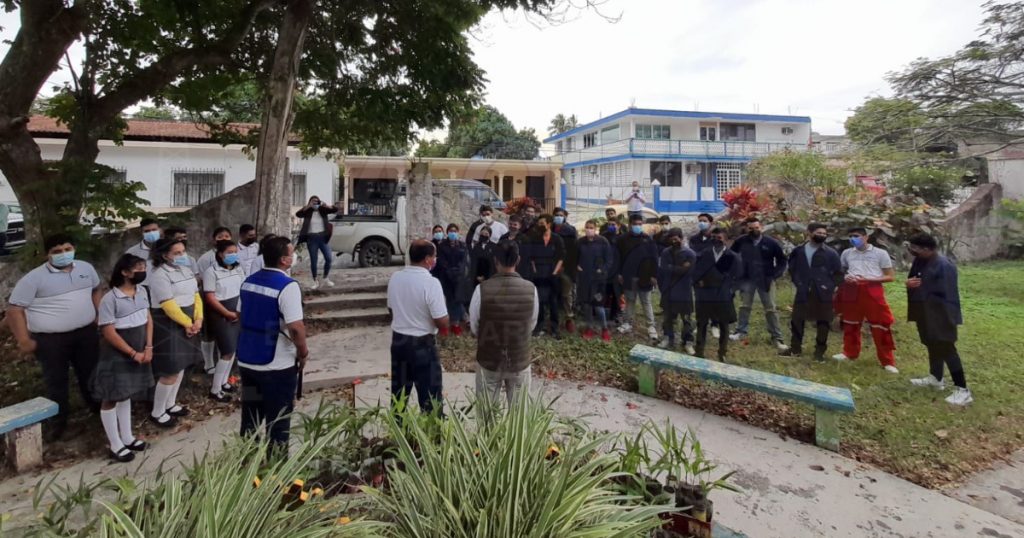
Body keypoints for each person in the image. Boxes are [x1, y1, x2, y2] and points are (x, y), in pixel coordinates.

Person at [8, 234, 102, 440]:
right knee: (56, 380)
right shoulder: (34, 278)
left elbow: (96, 290)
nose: (63, 254)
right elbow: (14, 310)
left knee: (91, 373)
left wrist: (98, 314)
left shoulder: (86, 269)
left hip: (85, 333)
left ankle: (99, 410)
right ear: (47, 255)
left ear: (74, 249)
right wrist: (24, 340)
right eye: (57, 252)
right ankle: (58, 424)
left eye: (67, 249)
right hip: (50, 340)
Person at [237, 236, 307, 453]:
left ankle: (245, 463)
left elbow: (241, 314)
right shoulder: (287, 286)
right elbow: (296, 327)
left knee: (251, 415)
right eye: (291, 253)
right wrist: (302, 352)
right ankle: (276, 474)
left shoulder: (249, 281)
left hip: (248, 361)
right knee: (278, 421)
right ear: (284, 260)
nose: (294, 256)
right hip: (277, 365)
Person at [91, 254, 153, 462]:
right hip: (118, 352)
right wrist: (132, 353)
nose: (142, 271)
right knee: (111, 395)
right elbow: (108, 331)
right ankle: (115, 443)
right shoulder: (110, 299)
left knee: (126, 393)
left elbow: (148, 319)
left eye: (143, 267)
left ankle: (127, 436)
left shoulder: (142, 291)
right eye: (138, 268)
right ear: (125, 272)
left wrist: (149, 346)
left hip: (141, 346)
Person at [469, 240, 538, 409]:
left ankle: (488, 436)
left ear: (495, 261)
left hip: (489, 358)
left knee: (486, 414)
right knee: (519, 414)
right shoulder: (531, 289)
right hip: (519, 359)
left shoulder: (482, 289)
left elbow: (474, 326)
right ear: (518, 260)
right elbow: (531, 324)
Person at [905, 233, 972, 405]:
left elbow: (948, 294)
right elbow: (915, 280)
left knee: (947, 348)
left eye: (915, 249)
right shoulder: (921, 260)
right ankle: (936, 378)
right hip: (924, 312)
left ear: (927, 249)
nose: (912, 252)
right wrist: (909, 284)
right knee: (931, 344)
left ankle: (963, 390)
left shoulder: (944, 265)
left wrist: (948, 319)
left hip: (941, 315)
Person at [387, 240, 449, 414]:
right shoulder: (431, 283)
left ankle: (398, 433)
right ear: (428, 259)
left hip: (398, 341)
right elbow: (442, 321)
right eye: (434, 256)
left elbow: (391, 309)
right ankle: (432, 436)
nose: (435, 259)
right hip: (423, 344)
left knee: (398, 394)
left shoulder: (395, 278)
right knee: (430, 397)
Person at [147, 237, 202, 428]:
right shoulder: (159, 274)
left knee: (181, 365)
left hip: (189, 320)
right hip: (168, 323)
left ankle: (171, 404)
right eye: (176, 253)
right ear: (164, 255)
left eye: (183, 251)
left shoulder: (186, 270)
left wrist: (198, 319)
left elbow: (196, 296)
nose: (182, 255)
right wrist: (188, 323)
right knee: (170, 369)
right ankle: (158, 410)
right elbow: (168, 304)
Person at [833, 227, 899, 373]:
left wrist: (869, 279)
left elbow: (890, 276)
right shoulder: (847, 253)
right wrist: (845, 277)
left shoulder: (880, 253)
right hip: (851, 289)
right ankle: (849, 352)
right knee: (850, 323)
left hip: (872, 289)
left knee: (881, 325)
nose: (852, 239)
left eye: (855, 236)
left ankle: (887, 361)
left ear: (866, 237)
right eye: (850, 236)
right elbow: (841, 271)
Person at [781, 223, 843, 361]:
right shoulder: (798, 251)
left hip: (823, 293)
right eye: (818, 233)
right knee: (797, 320)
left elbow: (838, 274)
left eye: (824, 234)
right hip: (803, 291)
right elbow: (792, 268)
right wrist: (798, 282)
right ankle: (795, 349)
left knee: (823, 322)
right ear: (809, 232)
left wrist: (830, 287)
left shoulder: (831, 253)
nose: (822, 235)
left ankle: (819, 353)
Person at [729, 217, 788, 350]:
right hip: (746, 279)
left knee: (770, 309)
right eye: (751, 228)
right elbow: (731, 256)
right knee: (744, 306)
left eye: (756, 228)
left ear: (761, 227)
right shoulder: (741, 241)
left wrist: (774, 275)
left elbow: (782, 261)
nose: (754, 230)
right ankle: (740, 332)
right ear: (746, 228)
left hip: (765, 279)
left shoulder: (771, 242)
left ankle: (777, 337)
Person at [202, 240, 245, 402]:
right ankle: (215, 389)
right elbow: (210, 297)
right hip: (221, 313)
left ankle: (224, 381)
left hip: (237, 311)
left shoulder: (238, 268)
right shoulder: (211, 271)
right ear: (220, 254)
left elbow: (243, 287)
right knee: (226, 351)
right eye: (229, 252)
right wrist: (227, 313)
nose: (233, 255)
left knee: (232, 350)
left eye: (235, 251)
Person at [692, 227, 742, 361]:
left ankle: (722, 353)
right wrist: (698, 285)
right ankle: (699, 351)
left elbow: (738, 278)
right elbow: (694, 274)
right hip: (705, 296)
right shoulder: (703, 255)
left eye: (719, 238)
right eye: (713, 237)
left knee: (724, 325)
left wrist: (730, 291)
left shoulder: (732, 257)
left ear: (725, 239)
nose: (716, 240)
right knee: (701, 323)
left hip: (723, 297)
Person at [616, 213, 659, 341]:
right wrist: (619, 273)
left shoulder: (648, 240)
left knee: (646, 302)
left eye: (640, 224)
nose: (637, 226)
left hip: (645, 277)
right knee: (630, 300)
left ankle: (651, 326)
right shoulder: (622, 239)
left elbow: (654, 259)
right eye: (635, 224)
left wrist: (654, 275)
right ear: (630, 225)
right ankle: (627, 323)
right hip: (628, 276)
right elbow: (618, 258)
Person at [196, 226, 232, 373]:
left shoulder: (234, 255)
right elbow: (202, 279)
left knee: (226, 333)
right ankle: (209, 363)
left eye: (227, 236)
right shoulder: (206, 258)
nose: (224, 239)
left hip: (230, 298)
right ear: (213, 240)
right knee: (209, 332)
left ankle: (224, 361)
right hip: (211, 298)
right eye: (220, 237)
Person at [658, 228, 697, 355]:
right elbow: (664, 269)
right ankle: (668, 338)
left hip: (684, 290)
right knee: (668, 317)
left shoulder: (690, 253)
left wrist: (673, 268)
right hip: (669, 289)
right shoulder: (665, 252)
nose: (674, 241)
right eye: (671, 239)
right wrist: (679, 268)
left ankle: (688, 342)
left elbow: (688, 271)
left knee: (686, 319)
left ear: (681, 238)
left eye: (676, 238)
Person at [527, 214, 565, 338]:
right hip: (539, 274)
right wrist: (534, 270)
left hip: (553, 274)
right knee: (539, 302)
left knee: (553, 301)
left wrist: (554, 272)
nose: (539, 225)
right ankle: (539, 326)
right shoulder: (535, 239)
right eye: (539, 223)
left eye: (542, 223)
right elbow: (531, 257)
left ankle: (554, 328)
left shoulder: (557, 239)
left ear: (549, 224)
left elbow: (561, 257)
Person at [576, 219, 615, 341]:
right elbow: (574, 257)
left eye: (591, 227)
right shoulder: (580, 242)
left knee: (598, 306)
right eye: (587, 227)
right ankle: (590, 328)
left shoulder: (603, 241)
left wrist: (602, 270)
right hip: (584, 280)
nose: (589, 229)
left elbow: (609, 260)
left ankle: (604, 329)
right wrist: (576, 265)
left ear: (596, 228)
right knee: (587, 306)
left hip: (598, 281)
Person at [295, 195, 339, 289]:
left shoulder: (323, 210)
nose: (315, 203)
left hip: (323, 238)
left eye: (317, 201)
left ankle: (325, 277)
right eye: (313, 201)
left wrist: (326, 205)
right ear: (310, 202)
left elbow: (335, 209)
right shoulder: (308, 211)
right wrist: (308, 206)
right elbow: (298, 214)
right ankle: (315, 280)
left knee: (328, 258)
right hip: (312, 238)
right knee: (313, 261)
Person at [434, 223, 468, 336]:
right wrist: (449, 272)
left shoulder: (463, 245)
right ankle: (455, 323)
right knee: (450, 299)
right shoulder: (442, 246)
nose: (452, 233)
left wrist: (459, 272)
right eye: (450, 231)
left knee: (458, 299)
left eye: (455, 230)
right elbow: (441, 261)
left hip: (459, 277)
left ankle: (456, 323)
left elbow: (464, 262)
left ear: (458, 232)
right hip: (446, 276)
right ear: (447, 232)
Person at [689, 213, 719, 338]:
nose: (702, 223)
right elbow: (693, 255)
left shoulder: (716, 238)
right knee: (700, 301)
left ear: (710, 223)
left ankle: (715, 325)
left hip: (713, 274)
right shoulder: (694, 239)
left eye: (704, 221)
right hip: (698, 275)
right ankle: (701, 323)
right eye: (700, 221)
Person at [552, 207, 578, 333]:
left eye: (561, 215)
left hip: (566, 267)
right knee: (552, 293)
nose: (558, 217)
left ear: (565, 217)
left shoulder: (570, 231)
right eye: (556, 215)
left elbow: (574, 251)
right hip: (551, 267)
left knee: (566, 294)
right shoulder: (548, 229)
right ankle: (553, 319)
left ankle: (569, 318)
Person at [600, 214, 624, 325]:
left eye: (613, 225)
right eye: (609, 224)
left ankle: (615, 314)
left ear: (619, 226)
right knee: (602, 293)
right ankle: (599, 313)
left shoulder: (622, 239)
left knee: (616, 294)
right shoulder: (603, 237)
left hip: (617, 271)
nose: (611, 226)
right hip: (605, 270)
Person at [125, 218, 161, 284]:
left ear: (160, 230)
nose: (151, 233)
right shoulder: (132, 252)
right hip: (144, 289)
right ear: (141, 232)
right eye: (147, 231)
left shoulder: (169, 248)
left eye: (154, 230)